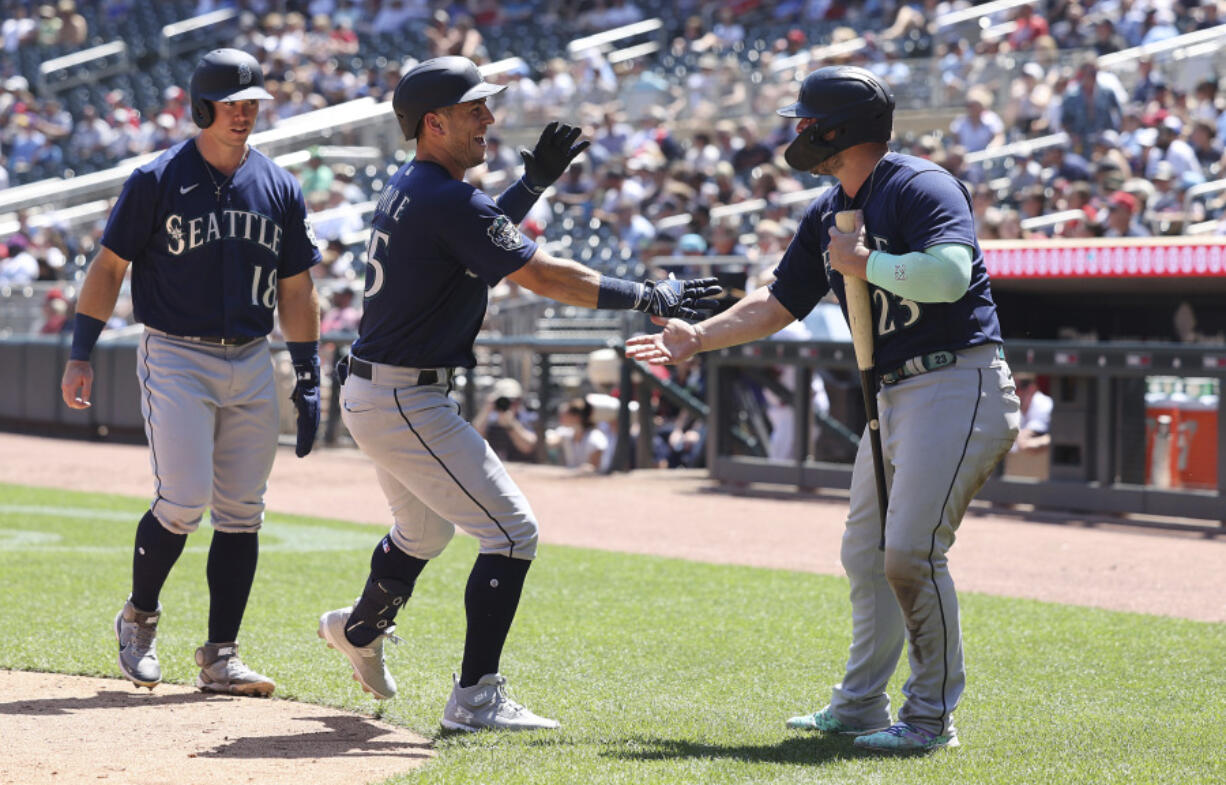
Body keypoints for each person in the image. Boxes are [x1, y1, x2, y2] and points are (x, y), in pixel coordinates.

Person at [315, 56, 719, 732]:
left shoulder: (418, 185)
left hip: (382, 391)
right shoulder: (445, 194)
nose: (489, 118)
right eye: (474, 108)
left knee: (424, 531)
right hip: (403, 399)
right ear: (433, 122)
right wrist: (648, 294)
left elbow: (477, 245)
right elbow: (540, 273)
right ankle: (475, 698)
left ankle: (357, 630)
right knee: (510, 531)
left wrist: (530, 184)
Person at [626, 65, 1020, 753]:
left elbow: (951, 274)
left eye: (808, 122)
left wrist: (866, 263)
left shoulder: (918, 185)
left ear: (841, 129)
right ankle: (861, 706)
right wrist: (699, 337)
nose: (798, 133)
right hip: (894, 393)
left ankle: (929, 718)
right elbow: (777, 304)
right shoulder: (826, 211)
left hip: (957, 380)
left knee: (910, 555)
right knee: (866, 555)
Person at [59, 48, 323, 697]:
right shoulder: (156, 178)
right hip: (176, 352)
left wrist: (308, 368)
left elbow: (295, 285)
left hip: (252, 358)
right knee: (183, 500)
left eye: (252, 102)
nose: (244, 113)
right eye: (232, 103)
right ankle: (138, 619)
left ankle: (221, 657)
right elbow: (109, 267)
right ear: (202, 106)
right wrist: (80, 350)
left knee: (242, 512)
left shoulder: (278, 185)